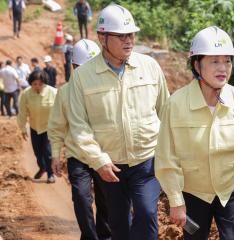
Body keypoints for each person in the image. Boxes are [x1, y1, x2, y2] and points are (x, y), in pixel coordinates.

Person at [155, 26, 234, 240]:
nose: (223, 68)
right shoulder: (176, 105)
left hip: (232, 191)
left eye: (227, 61)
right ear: (197, 65)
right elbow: (165, 157)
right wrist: (176, 200)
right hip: (193, 194)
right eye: (214, 61)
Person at [67, 4, 169, 240]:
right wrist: (98, 160)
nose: (129, 40)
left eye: (131, 34)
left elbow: (166, 112)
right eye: (121, 35)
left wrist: (171, 154)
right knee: (119, 224)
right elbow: (79, 126)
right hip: (109, 167)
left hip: (147, 161)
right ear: (102, 37)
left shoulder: (150, 67)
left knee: (146, 212)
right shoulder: (83, 77)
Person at [48, 39, 111, 240]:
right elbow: (57, 126)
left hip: (105, 155)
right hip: (78, 156)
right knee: (82, 198)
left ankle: (105, 235)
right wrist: (56, 155)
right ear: (74, 67)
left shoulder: (108, 89)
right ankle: (90, 236)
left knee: (106, 201)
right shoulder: (65, 92)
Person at [17, 70, 57, 183]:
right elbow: (22, 112)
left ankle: (50, 174)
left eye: (40, 84)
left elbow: (61, 111)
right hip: (34, 127)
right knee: (37, 152)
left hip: (49, 127)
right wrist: (23, 128)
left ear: (44, 82)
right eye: (34, 84)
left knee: (48, 151)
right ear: (31, 83)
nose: (37, 86)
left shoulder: (53, 92)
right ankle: (42, 167)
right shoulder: (26, 94)